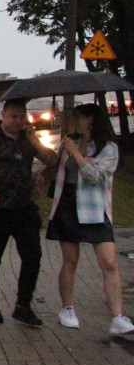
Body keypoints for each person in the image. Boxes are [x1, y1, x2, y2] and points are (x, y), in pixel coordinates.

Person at [46, 103, 134, 335]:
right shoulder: (69, 142)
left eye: (80, 117)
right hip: (68, 206)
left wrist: (76, 152)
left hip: (95, 209)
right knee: (70, 260)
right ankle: (67, 309)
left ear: (91, 121)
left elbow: (96, 176)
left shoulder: (109, 149)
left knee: (109, 262)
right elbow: (60, 171)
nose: (75, 121)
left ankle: (118, 316)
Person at [0, 97, 56, 326]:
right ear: (4, 115)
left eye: (21, 117)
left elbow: (52, 159)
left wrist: (35, 141)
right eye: (13, 117)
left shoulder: (27, 139)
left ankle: (23, 305)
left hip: (23, 206)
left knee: (32, 256)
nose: (17, 122)